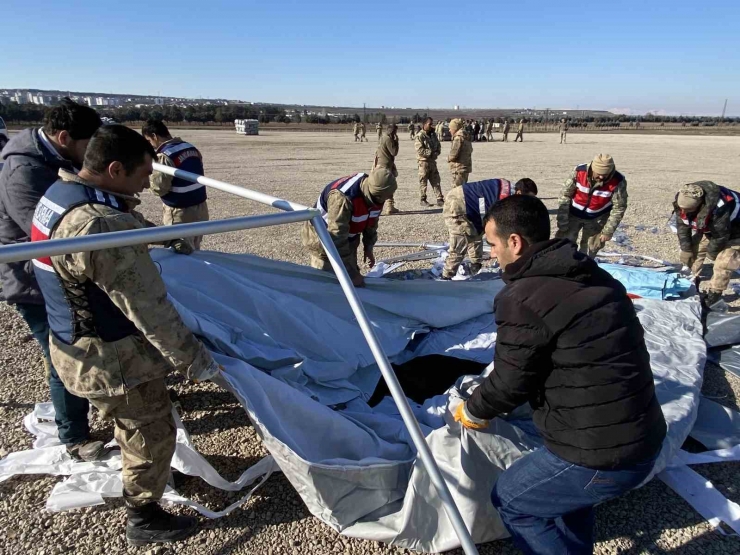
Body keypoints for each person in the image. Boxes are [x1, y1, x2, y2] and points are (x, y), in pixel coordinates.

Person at [30, 125, 221, 545]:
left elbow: (126, 220)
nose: (146, 186)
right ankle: (144, 515)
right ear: (114, 169)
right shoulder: (98, 225)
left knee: (131, 423)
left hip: (72, 342)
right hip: (111, 358)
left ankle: (149, 475)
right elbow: (149, 309)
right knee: (149, 430)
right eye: (141, 177)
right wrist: (195, 361)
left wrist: (158, 235)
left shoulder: (61, 194)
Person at [453, 194, 667, 555]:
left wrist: (473, 411)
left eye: (492, 244)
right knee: (564, 501)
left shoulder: (522, 296)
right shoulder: (592, 274)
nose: (491, 254)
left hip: (604, 456)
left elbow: (509, 382)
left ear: (515, 242)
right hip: (645, 434)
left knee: (513, 501)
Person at [0, 98, 106, 461]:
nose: (91, 156)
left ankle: (105, 399)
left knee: (85, 343)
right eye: (87, 146)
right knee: (62, 355)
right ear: (63, 137)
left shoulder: (48, 159)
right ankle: (74, 436)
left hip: (53, 273)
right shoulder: (23, 173)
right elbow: (48, 232)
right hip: (32, 279)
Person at [300, 169, 397, 288]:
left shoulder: (376, 196)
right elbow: (336, 237)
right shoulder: (343, 198)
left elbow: (371, 222)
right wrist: (350, 273)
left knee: (353, 283)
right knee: (326, 283)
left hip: (348, 240)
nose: (390, 198)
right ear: (378, 193)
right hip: (323, 241)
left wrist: (368, 247)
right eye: (387, 196)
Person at [442, 178, 538, 279]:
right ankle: (446, 277)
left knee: (476, 232)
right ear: (519, 193)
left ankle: (475, 265)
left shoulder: (510, 190)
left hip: (468, 202)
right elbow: (501, 227)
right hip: (458, 204)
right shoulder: (506, 199)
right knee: (460, 242)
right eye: (528, 198)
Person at [142, 120, 209, 250]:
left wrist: (146, 182)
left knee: (180, 249)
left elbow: (159, 188)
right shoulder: (190, 147)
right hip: (200, 208)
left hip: (180, 212)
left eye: (149, 141)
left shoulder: (164, 155)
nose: (151, 145)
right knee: (195, 248)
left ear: (155, 136)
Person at [674, 182, 740, 307]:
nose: (683, 211)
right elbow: (682, 225)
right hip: (715, 229)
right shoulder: (684, 198)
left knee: (724, 260)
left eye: (688, 210)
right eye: (681, 208)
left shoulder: (720, 206)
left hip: (736, 231)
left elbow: (721, 235)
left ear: (700, 205)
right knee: (695, 250)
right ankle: (690, 282)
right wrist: (686, 249)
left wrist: (713, 254)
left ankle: (714, 296)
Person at [555, 154, 627, 257]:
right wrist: (563, 220)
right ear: (592, 169)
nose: (602, 177)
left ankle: (584, 269)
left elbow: (619, 207)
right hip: (573, 215)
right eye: (599, 174)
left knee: (591, 249)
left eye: (606, 174)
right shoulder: (579, 172)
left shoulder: (618, 181)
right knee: (564, 244)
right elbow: (565, 195)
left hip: (597, 219)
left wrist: (608, 231)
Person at [415, 117, 444, 207]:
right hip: (423, 162)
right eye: (429, 124)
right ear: (424, 124)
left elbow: (438, 146)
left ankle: (439, 199)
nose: (431, 126)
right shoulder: (420, 136)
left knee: (436, 180)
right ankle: (423, 199)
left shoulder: (433, 135)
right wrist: (431, 153)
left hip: (432, 162)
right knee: (423, 181)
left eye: (432, 124)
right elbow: (420, 150)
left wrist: (437, 152)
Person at [374, 123, 399, 214]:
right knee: (389, 187)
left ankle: (388, 206)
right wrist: (396, 142)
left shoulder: (382, 138)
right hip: (386, 166)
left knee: (382, 187)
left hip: (381, 165)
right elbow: (394, 152)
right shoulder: (388, 139)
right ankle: (388, 207)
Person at [448, 119, 473, 187]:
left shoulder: (458, 138)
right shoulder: (465, 136)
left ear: (455, 128)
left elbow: (453, 154)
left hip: (458, 168)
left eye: (450, 128)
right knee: (463, 190)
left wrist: (449, 158)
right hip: (465, 167)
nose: (449, 130)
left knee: (457, 191)